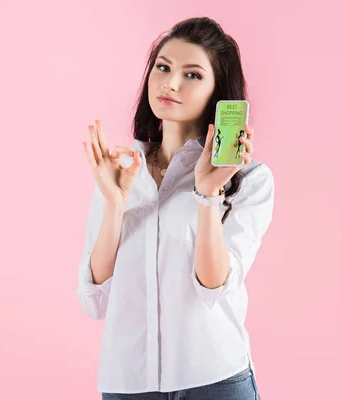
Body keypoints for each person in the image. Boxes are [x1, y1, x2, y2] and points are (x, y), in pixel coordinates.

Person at [78, 17, 274, 400]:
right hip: (127, 385)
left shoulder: (249, 180)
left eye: (193, 74)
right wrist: (115, 204)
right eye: (163, 67)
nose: (171, 83)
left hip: (215, 381)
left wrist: (207, 192)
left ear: (219, 92)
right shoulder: (119, 171)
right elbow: (95, 299)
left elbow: (213, 286)